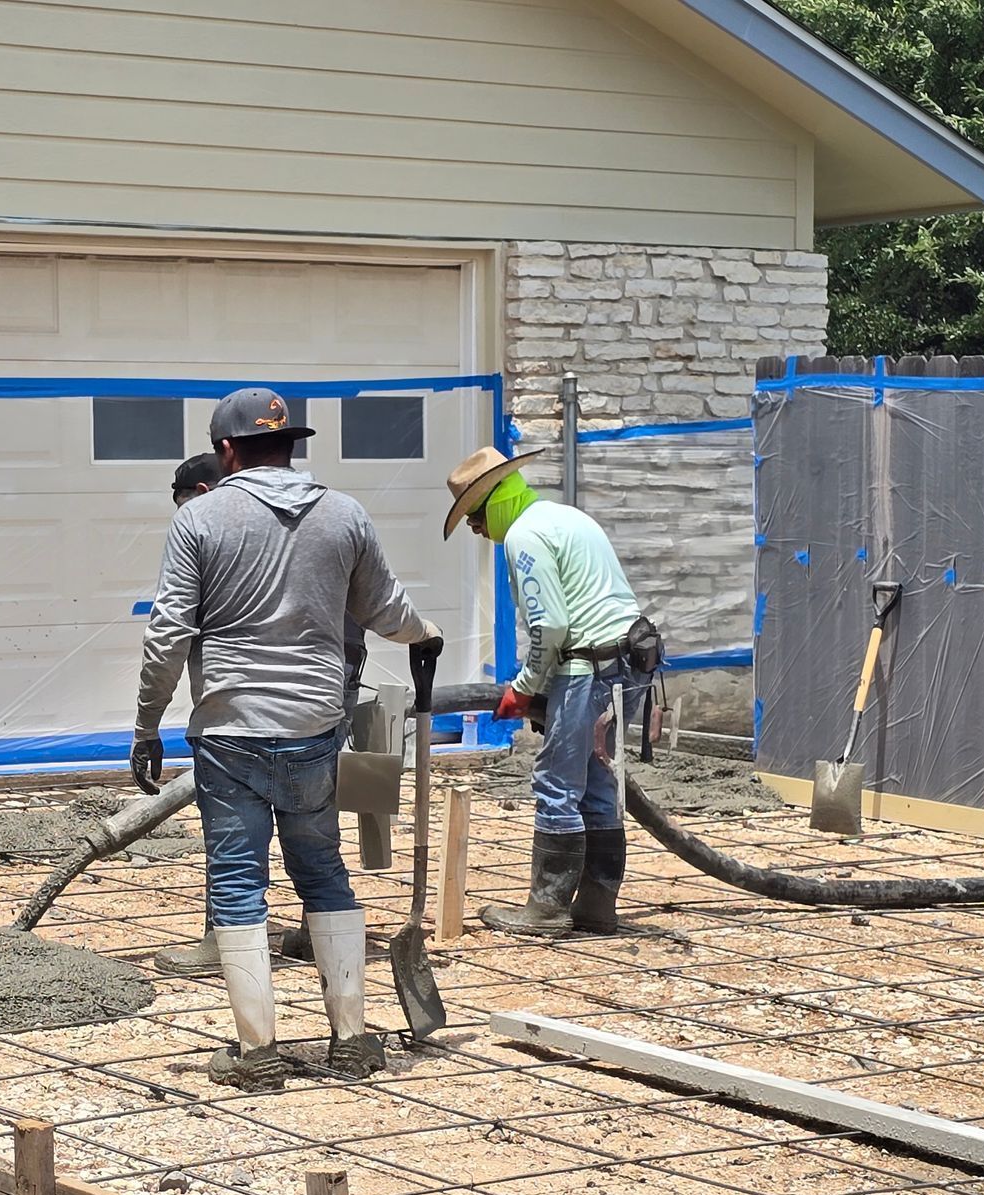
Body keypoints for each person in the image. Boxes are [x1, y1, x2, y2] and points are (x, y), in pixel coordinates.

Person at [132, 389, 441, 1091]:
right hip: (314, 727)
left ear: (226, 451)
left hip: (231, 731)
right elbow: (388, 610)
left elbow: (169, 636)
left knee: (239, 881)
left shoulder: (201, 520)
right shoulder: (344, 514)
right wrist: (426, 637)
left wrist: (147, 725)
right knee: (323, 871)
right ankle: (354, 1041)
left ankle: (257, 1052)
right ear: (292, 446)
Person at [154, 450, 370, 980]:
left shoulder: (219, 524)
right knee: (316, 844)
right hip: (322, 689)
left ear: (203, 492)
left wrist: (147, 724)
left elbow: (173, 633)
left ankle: (225, 952)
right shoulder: (320, 514)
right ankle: (321, 941)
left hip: (253, 708)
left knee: (236, 861)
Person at [441, 446, 656, 937]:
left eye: (474, 518)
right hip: (626, 661)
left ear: (493, 502)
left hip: (586, 670)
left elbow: (552, 624)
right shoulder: (563, 517)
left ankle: (548, 908)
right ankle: (598, 904)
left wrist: (524, 688)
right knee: (600, 783)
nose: (476, 530)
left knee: (557, 783)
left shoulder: (523, 534)